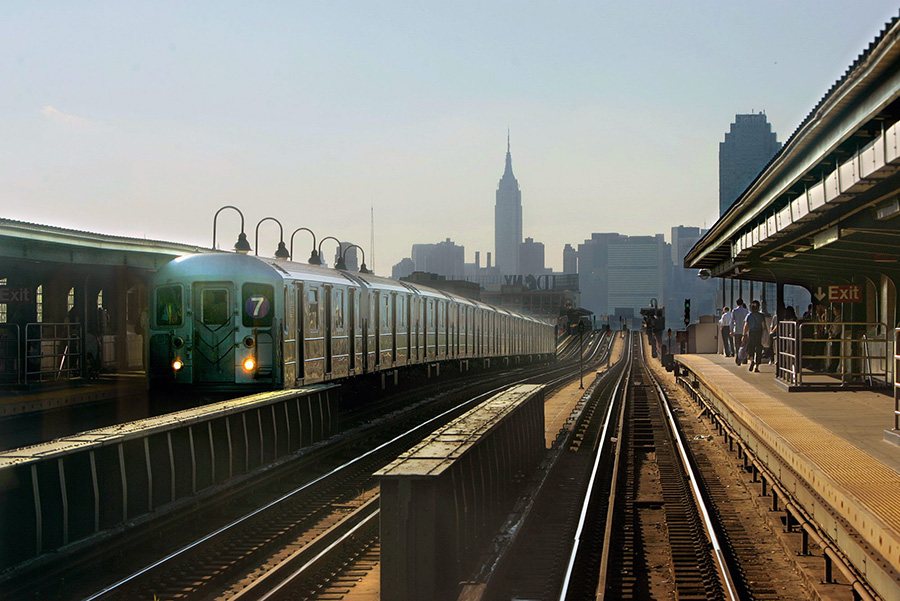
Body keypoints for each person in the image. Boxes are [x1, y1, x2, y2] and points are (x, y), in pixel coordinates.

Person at [742, 300, 766, 372]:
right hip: (759, 333)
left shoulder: (749, 315)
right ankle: (757, 367)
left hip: (751, 333)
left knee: (750, 349)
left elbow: (746, 326)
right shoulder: (761, 316)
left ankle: (752, 360)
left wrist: (743, 335)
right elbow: (763, 326)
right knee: (758, 349)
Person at [731, 299, 749, 365]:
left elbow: (732, 321)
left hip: (737, 330)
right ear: (742, 303)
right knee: (744, 345)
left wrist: (731, 330)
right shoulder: (746, 311)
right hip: (744, 331)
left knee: (737, 345)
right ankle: (744, 359)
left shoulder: (734, 311)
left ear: (737, 303)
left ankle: (738, 359)